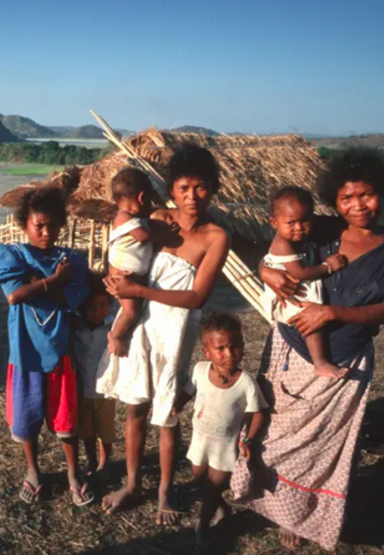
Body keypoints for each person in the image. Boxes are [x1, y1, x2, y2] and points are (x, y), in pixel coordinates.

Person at [231, 148, 384, 550]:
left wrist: (331, 312)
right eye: (346, 198)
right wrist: (267, 271)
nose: (357, 205)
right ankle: (275, 500)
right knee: (278, 430)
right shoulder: (320, 230)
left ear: (383, 194)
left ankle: (304, 514)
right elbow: (279, 242)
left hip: (348, 355)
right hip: (291, 347)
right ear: (334, 201)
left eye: (366, 195)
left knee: (325, 444)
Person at [97, 144, 231, 524]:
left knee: (167, 414)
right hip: (143, 326)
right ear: (171, 189)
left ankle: (165, 490)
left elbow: (197, 296)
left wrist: (137, 292)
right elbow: (128, 256)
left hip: (176, 331)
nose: (191, 196)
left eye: (201, 187)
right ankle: (133, 483)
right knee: (136, 407)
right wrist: (116, 280)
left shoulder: (215, 236)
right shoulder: (156, 220)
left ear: (213, 188)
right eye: (184, 188)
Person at [0, 186, 96, 507]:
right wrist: (53, 281)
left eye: (52, 225)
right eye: (39, 225)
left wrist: (35, 286)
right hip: (25, 353)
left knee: (66, 420)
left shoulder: (72, 261)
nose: (46, 232)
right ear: (26, 225)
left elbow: (68, 299)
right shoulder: (12, 255)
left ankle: (73, 474)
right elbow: (14, 296)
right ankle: (33, 471)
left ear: (62, 224)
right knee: (27, 416)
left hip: (59, 352)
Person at [181, 313, 266, 547]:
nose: (229, 354)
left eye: (235, 346)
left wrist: (248, 439)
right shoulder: (200, 370)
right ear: (206, 352)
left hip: (225, 445)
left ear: (243, 346)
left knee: (213, 486)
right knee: (200, 477)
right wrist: (178, 404)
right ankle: (222, 506)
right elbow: (190, 390)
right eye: (221, 348)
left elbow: (258, 412)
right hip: (200, 439)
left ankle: (204, 523)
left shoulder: (245, 382)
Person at [262, 186, 349, 379]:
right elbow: (299, 273)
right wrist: (328, 267)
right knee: (311, 323)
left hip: (296, 290)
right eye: (291, 222)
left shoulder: (299, 238)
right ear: (274, 223)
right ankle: (320, 362)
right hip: (288, 294)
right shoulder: (283, 244)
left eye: (305, 221)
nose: (299, 228)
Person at [105, 167, 176, 357]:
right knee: (131, 312)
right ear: (142, 198)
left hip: (130, 275)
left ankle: (126, 335)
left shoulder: (134, 218)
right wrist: (165, 231)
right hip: (121, 275)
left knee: (135, 311)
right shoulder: (126, 218)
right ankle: (115, 336)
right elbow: (144, 237)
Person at [71, 274, 116, 481]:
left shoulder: (113, 328)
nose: (98, 312)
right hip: (81, 390)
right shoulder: (74, 328)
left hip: (105, 391)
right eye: (91, 306)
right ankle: (91, 460)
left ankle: (105, 462)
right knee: (86, 430)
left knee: (105, 431)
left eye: (103, 305)